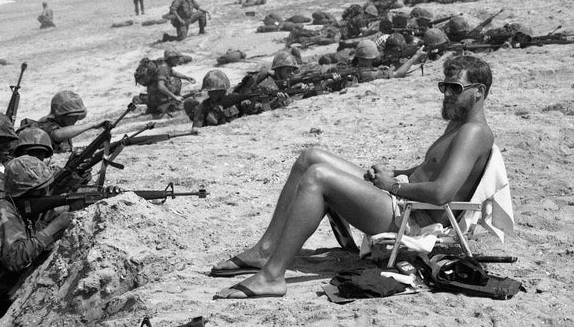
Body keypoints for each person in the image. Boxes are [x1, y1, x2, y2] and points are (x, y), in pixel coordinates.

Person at [212, 55, 495, 299]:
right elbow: (430, 170)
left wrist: (393, 186)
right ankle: (266, 249)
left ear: (478, 91)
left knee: (317, 177)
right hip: (401, 200)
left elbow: (441, 194)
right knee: (310, 157)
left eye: (454, 88)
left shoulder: (473, 132)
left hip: (411, 219)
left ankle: (273, 275)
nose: (446, 93)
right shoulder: (460, 124)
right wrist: (394, 174)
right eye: (444, 86)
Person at [0, 156, 72, 319]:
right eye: (44, 189)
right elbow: (16, 258)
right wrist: (56, 227)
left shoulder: (25, 211)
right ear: (29, 193)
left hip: (4, 292)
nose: (48, 193)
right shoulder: (2, 211)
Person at [23, 90, 105, 154]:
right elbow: (57, 135)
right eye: (71, 117)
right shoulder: (45, 125)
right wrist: (92, 125)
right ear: (59, 115)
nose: (74, 119)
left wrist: (97, 147)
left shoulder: (63, 126)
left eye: (76, 116)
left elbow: (66, 151)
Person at [146, 50, 196, 118]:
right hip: (157, 97)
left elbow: (174, 73)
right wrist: (175, 97)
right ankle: (167, 105)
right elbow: (160, 86)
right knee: (176, 81)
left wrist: (186, 78)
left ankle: (167, 103)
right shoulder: (163, 68)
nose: (178, 60)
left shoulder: (164, 64)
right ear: (171, 59)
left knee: (176, 79)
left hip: (153, 95)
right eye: (177, 58)